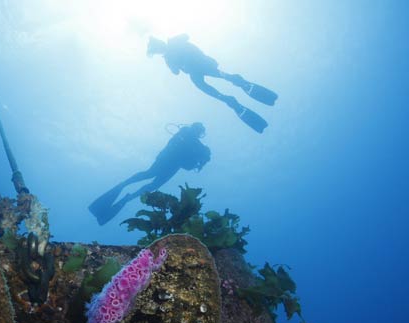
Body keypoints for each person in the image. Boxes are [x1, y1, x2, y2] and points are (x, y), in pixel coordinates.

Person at [147, 34, 277, 133]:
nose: (159, 51)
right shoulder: (168, 57)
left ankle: (235, 85)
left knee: (214, 77)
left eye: (157, 49)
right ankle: (229, 95)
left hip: (201, 63)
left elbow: (185, 39)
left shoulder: (172, 45)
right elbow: (175, 72)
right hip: (196, 69)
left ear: (159, 44)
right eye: (156, 51)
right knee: (203, 85)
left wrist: (174, 47)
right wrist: (170, 57)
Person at [89, 122, 210, 225]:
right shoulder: (190, 139)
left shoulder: (189, 138)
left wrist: (203, 157)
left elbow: (189, 164)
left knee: (150, 179)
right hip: (169, 164)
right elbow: (189, 165)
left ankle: (125, 190)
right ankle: (127, 194)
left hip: (167, 162)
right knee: (152, 180)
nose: (197, 134)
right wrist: (203, 156)